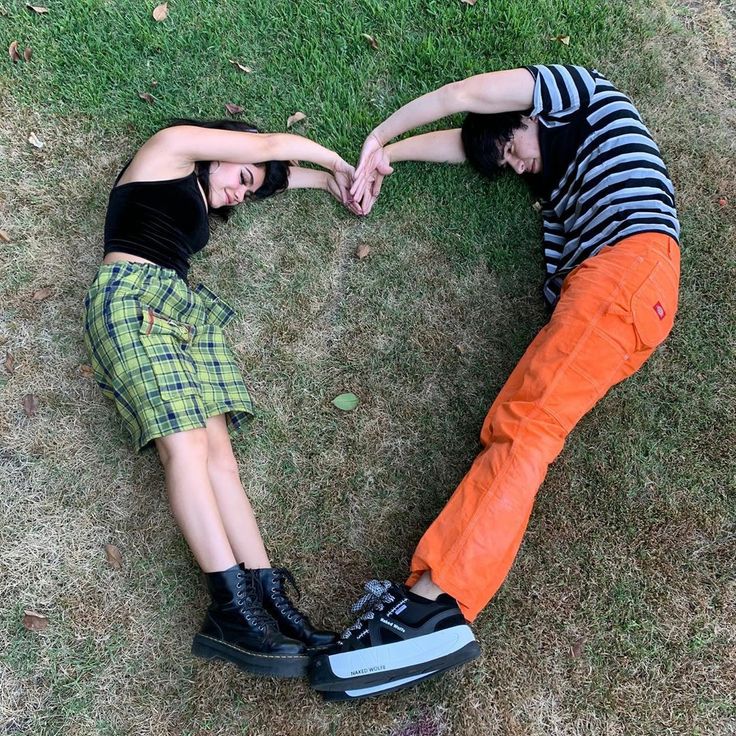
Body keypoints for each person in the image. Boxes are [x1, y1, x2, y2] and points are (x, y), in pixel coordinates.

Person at [308, 64, 680, 700]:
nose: (514, 166)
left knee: (525, 431)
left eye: (512, 147)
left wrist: (378, 134)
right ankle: (427, 602)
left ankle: (434, 606)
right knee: (514, 429)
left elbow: (463, 97)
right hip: (616, 297)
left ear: (533, 114)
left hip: (626, 272)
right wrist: (388, 160)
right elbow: (466, 137)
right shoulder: (561, 188)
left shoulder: (586, 99)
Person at [84, 119, 361, 678]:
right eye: (241, 179)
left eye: (249, 190)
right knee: (185, 451)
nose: (241, 193)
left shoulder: (216, 177)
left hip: (182, 312)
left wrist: (320, 184)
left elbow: (270, 168)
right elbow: (266, 148)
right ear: (216, 147)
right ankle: (230, 611)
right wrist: (339, 163)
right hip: (131, 299)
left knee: (221, 461)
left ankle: (270, 600)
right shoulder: (168, 150)